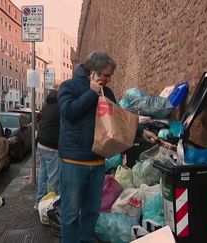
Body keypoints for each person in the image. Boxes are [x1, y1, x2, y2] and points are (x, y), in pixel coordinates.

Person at [58, 50, 157, 243]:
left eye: (110, 76)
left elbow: (119, 119)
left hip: (97, 162)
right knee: (70, 214)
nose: (108, 80)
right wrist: (91, 93)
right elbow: (68, 112)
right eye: (105, 75)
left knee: (91, 211)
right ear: (91, 72)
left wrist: (141, 131)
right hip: (73, 162)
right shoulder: (68, 87)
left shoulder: (107, 92)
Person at [35, 90, 61, 208]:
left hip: (41, 144)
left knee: (42, 173)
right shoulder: (59, 108)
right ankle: (49, 204)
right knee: (53, 176)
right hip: (52, 146)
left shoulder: (45, 107)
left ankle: (39, 200)